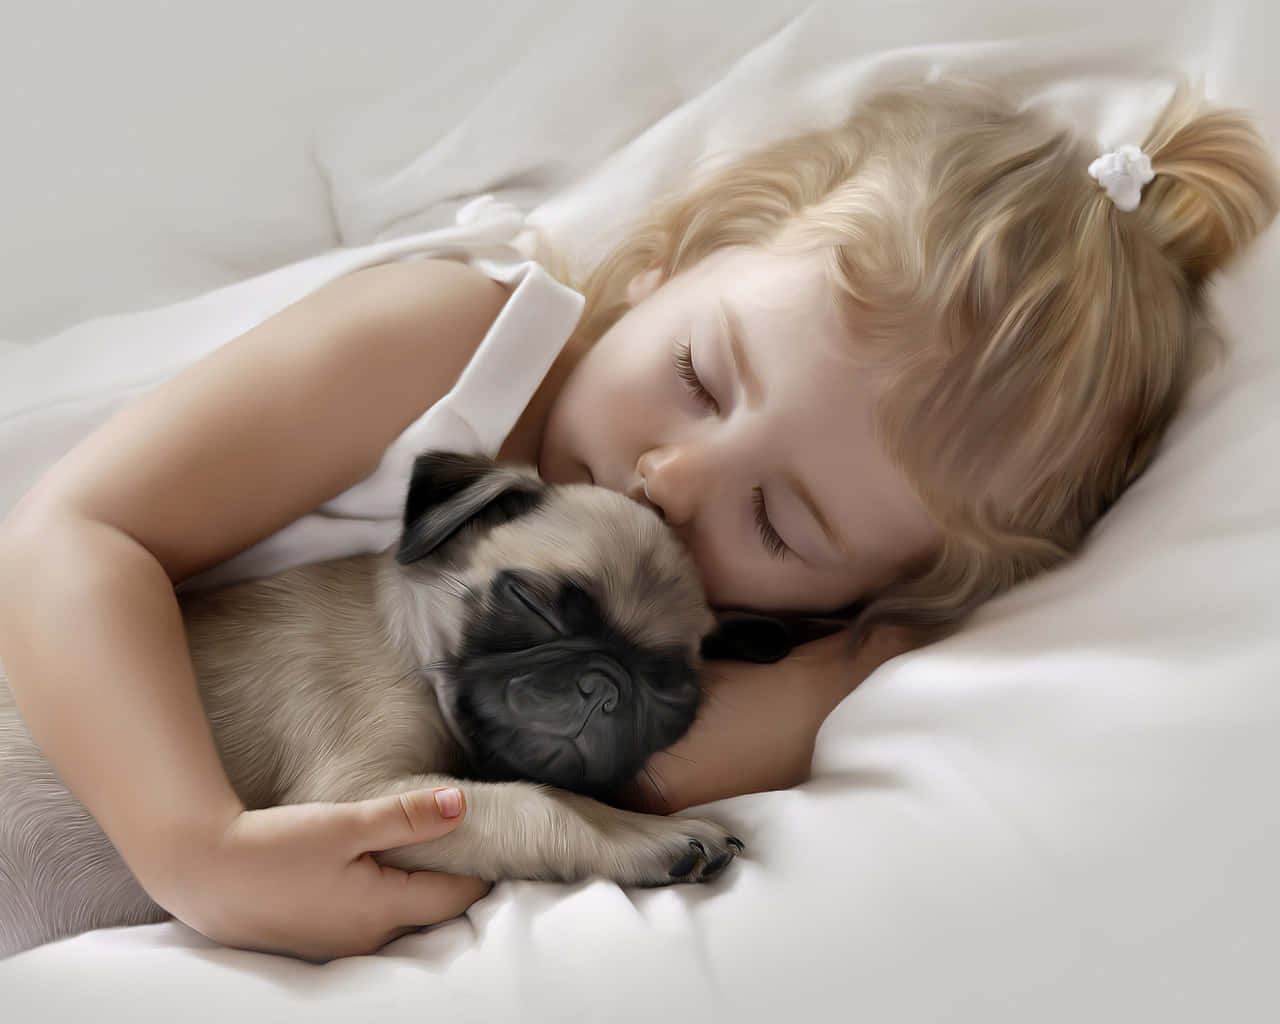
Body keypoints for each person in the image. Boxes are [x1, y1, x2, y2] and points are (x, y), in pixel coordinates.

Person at [0, 78, 1275, 962]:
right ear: (677, 258)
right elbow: (77, 538)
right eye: (699, 377)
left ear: (838, 595)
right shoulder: (443, 345)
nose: (671, 479)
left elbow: (648, 787)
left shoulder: (688, 644)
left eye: (776, 521)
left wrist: (839, 676)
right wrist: (192, 845)